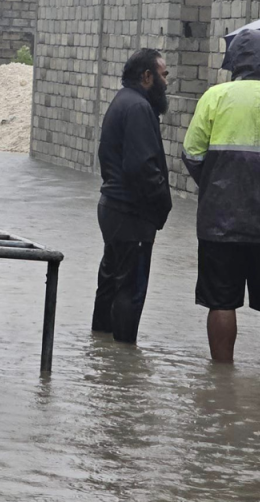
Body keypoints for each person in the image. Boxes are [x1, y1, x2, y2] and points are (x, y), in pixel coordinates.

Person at [182, 29, 260, 363]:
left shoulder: (215, 97)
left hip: (219, 224)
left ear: (235, 59)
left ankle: (222, 377)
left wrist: (214, 186)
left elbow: (192, 154)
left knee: (221, 301)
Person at [93, 48, 173, 343]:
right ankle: (123, 365)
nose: (167, 82)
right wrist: (163, 203)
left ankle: (102, 354)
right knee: (129, 289)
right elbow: (141, 167)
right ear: (148, 76)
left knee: (111, 284)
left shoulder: (123, 101)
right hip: (131, 214)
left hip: (114, 209)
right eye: (164, 75)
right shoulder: (138, 108)